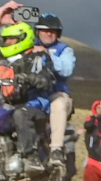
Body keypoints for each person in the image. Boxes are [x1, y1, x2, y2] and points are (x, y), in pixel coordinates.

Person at [0, 22, 55, 174]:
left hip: (34, 104)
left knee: (20, 114)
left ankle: (31, 157)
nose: (8, 42)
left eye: (12, 39)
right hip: (7, 104)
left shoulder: (38, 57)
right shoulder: (2, 62)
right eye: (6, 39)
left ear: (24, 38)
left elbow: (47, 79)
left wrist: (29, 78)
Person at [32, 13, 75, 165]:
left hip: (55, 93)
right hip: (32, 94)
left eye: (53, 31)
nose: (49, 33)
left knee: (59, 104)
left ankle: (56, 149)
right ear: (38, 31)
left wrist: (48, 55)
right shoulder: (28, 45)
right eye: (45, 30)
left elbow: (67, 69)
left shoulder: (64, 50)